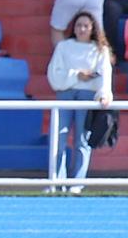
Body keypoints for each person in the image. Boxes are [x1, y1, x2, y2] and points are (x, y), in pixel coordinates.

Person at [47, 10, 115, 192]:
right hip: (65, 94)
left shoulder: (101, 49)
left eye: (86, 25)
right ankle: (56, 182)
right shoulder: (63, 46)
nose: (82, 29)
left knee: (82, 141)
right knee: (58, 139)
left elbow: (105, 75)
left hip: (87, 97)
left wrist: (104, 93)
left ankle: (76, 184)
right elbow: (54, 74)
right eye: (78, 25)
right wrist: (76, 75)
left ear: (92, 28)